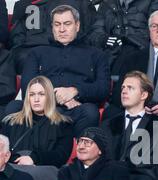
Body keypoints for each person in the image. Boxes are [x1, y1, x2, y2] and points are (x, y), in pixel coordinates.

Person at [8, 4, 110, 137]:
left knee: (90, 112)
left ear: (77, 26)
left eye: (67, 24)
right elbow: (27, 84)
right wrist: (57, 96)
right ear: (52, 27)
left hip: (77, 109)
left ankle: (78, 154)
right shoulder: (36, 53)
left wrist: (75, 91)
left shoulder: (97, 55)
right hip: (42, 110)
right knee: (13, 107)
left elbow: (103, 89)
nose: (62, 29)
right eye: (57, 24)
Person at [1, 76, 73, 168]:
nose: (36, 99)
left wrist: (34, 158)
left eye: (41, 94)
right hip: (13, 170)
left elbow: (61, 155)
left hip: (44, 171)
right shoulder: (10, 122)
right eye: (32, 94)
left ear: (49, 97)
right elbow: (2, 151)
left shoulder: (64, 125)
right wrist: (18, 159)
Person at [9, 0, 96, 74]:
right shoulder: (24, 5)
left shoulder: (81, 3)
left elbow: (91, 36)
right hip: (31, 54)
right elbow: (17, 39)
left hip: (69, 50)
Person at [87, 0, 158, 72]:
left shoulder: (154, 1)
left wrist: (128, 40)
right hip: (111, 53)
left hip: (142, 51)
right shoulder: (106, 3)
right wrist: (104, 39)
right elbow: (95, 32)